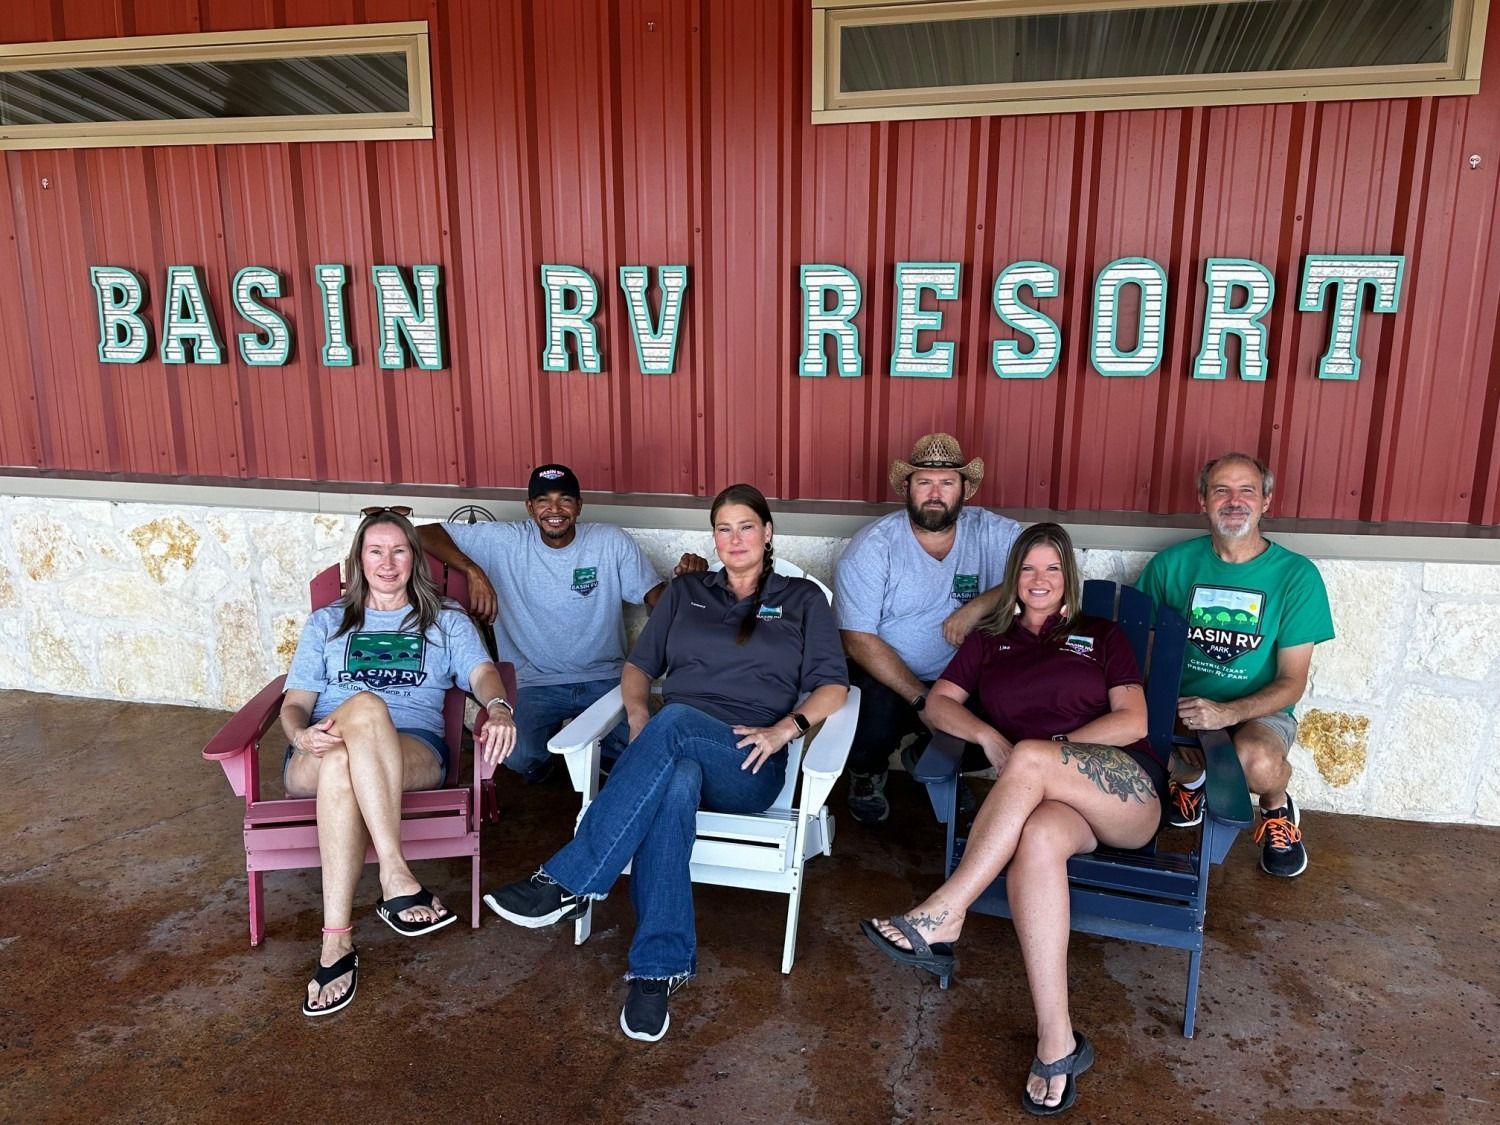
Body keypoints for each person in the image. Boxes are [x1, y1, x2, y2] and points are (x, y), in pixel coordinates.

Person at [484, 484, 848, 1042]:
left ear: (768, 532)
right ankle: (657, 972)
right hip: (672, 752)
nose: (735, 539)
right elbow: (638, 668)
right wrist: (635, 716)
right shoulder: (687, 593)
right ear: (714, 537)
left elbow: (833, 688)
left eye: (747, 526)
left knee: (673, 721)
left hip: (747, 761)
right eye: (724, 529)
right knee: (673, 778)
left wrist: (783, 731)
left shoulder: (802, 600)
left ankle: (568, 879)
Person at [860, 523, 1164, 1116]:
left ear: (1068, 576)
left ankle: (945, 913)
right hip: (1049, 808)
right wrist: (990, 739)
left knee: (1031, 757)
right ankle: (1059, 1042)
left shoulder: (1101, 634)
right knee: (1038, 838)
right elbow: (940, 702)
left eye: (1052, 568)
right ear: (1013, 579)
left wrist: (1048, 751)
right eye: (1028, 568)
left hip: (1123, 793)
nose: (1040, 580)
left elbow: (1132, 721)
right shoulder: (988, 642)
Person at [282, 508, 517, 1017]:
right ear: (359, 560)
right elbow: (295, 703)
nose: (387, 563)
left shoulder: (447, 621)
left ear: (415, 558)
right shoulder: (327, 622)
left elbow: (482, 675)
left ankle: (335, 943)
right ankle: (395, 875)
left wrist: (497, 708)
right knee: (360, 714)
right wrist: (299, 735)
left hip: (411, 750)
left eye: (399, 550)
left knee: (360, 732)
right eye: (375, 551)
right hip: (318, 752)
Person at [419, 464, 704, 783]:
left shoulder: (609, 541)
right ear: (529, 507)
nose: (554, 510)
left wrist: (687, 584)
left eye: (565, 499)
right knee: (518, 756)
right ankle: (548, 770)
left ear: (579, 505)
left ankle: (603, 761)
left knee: (644, 747)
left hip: (605, 677)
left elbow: (656, 599)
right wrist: (473, 571)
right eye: (543, 500)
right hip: (533, 682)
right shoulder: (503, 541)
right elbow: (421, 533)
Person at [1136, 452, 1334, 878]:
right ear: (1202, 500)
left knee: (1255, 763)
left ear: (1265, 501)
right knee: (1125, 729)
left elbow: (1292, 682)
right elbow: (1143, 655)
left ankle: (1276, 809)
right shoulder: (1171, 566)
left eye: (1247, 490)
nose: (1234, 500)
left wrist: (1228, 713)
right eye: (1221, 490)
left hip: (1259, 711)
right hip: (1183, 706)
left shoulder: (1296, 576)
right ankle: (1190, 781)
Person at [835, 433, 1021, 825]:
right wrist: (923, 701)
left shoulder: (989, 532)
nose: (935, 493)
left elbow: (1046, 562)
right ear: (907, 487)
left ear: (965, 489)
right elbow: (856, 637)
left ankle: (932, 758)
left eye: (947, 482)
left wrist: (977, 607)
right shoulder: (874, 545)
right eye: (924, 482)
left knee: (1016, 710)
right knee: (865, 719)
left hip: (963, 680)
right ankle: (865, 774)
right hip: (889, 680)